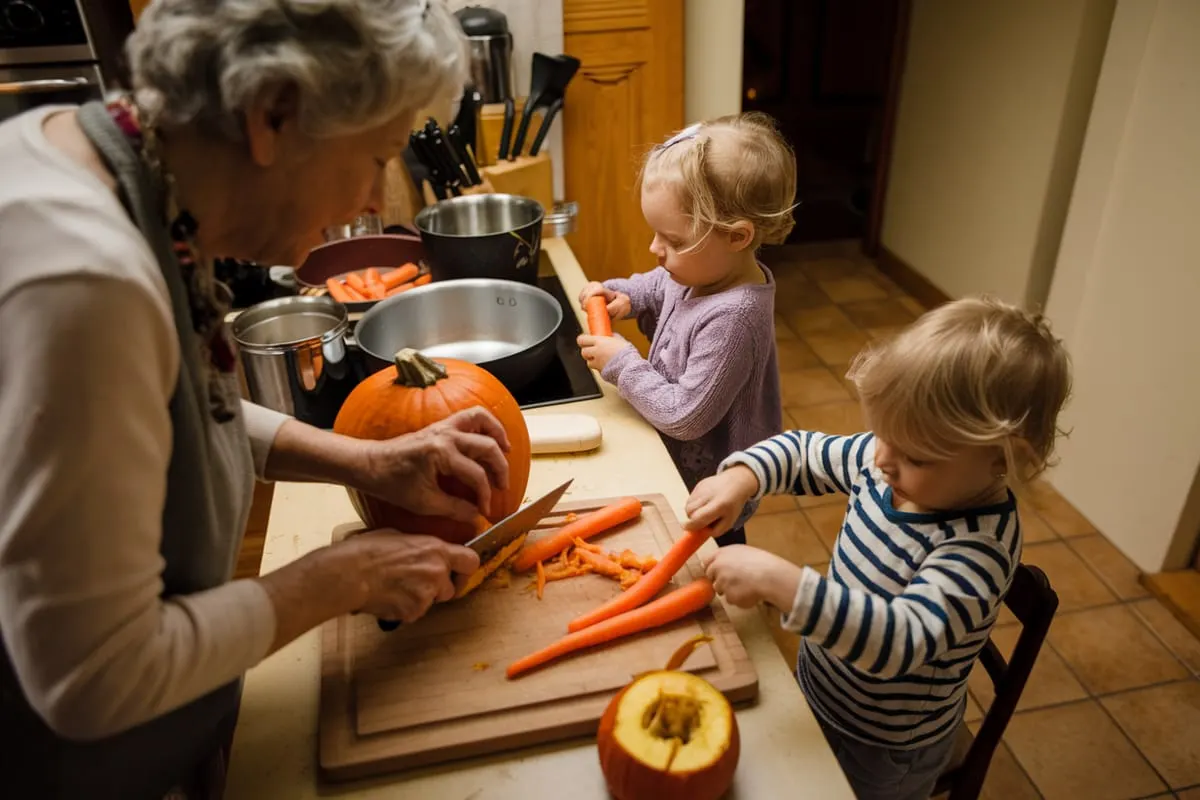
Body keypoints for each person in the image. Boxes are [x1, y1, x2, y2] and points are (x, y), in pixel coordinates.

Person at [0, 1, 494, 797]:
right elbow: (90, 679)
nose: (375, 198)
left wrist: (368, 461)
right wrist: (339, 579)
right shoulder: (84, 281)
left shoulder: (122, 165)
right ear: (273, 116)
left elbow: (188, 395)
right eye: (379, 155)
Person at [683, 297, 1072, 800]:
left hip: (884, 748)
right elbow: (803, 451)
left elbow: (899, 642)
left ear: (1003, 461)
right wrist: (745, 475)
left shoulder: (978, 549)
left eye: (913, 455)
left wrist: (783, 585)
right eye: (883, 434)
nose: (882, 459)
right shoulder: (888, 458)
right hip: (821, 690)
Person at [576, 113, 797, 546]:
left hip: (707, 495)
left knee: (705, 571)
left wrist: (622, 364)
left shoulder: (734, 318)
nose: (655, 250)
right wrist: (627, 295)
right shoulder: (703, 271)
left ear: (736, 237)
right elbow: (659, 284)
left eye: (673, 241)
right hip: (671, 467)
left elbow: (686, 415)